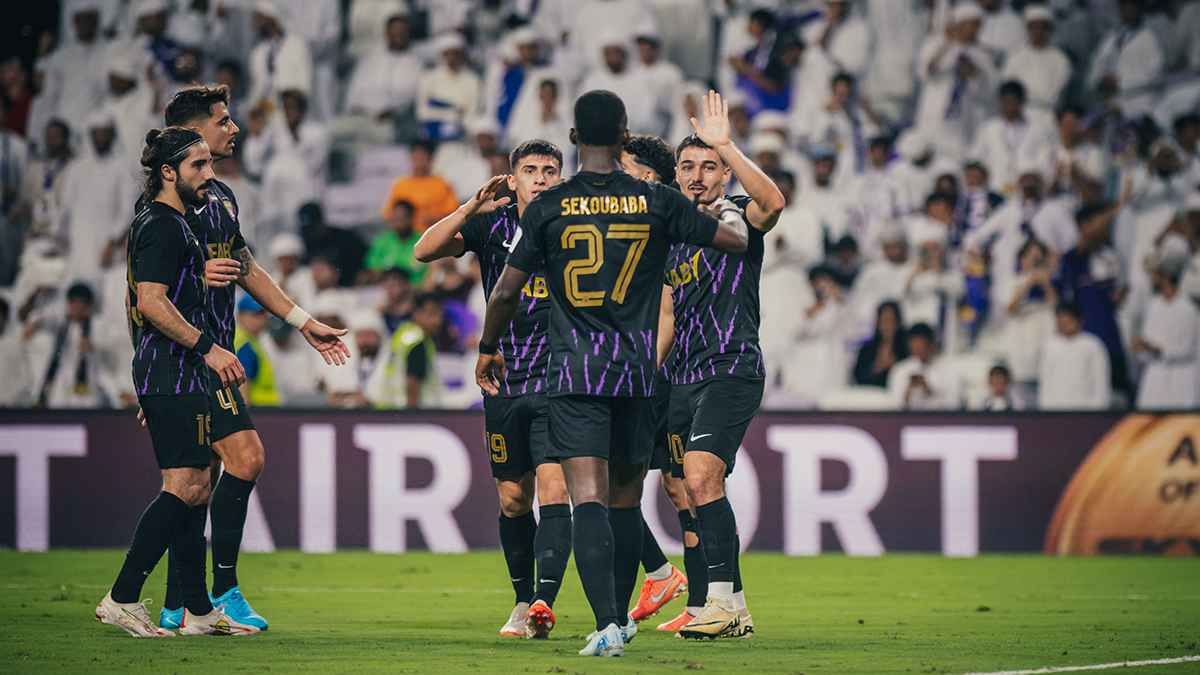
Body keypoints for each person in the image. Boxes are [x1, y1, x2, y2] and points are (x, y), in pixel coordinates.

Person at [474, 89, 747, 657]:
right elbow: (737, 239)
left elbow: (504, 289)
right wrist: (721, 203)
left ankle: (607, 626)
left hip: (574, 374)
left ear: (574, 138)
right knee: (626, 503)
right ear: (625, 136)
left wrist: (487, 346)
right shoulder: (656, 200)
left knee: (588, 502)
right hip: (636, 375)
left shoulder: (550, 205)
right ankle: (623, 615)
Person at [155, 85, 350, 631]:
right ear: (194, 131)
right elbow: (144, 293)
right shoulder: (162, 206)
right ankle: (220, 590)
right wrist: (150, 380)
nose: (234, 128)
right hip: (182, 358)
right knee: (237, 461)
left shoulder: (220, 195)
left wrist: (302, 321)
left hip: (216, 354)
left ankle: (183, 603)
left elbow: (246, 267)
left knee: (201, 479)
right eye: (223, 120)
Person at [97, 126, 257, 638]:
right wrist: (208, 348)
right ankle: (122, 597)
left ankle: (197, 609)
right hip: (173, 370)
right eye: (198, 166)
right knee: (185, 484)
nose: (209, 175)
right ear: (168, 172)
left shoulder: (177, 223)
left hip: (176, 373)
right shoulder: (164, 225)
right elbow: (149, 300)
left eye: (210, 164)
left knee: (198, 486)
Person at [414, 139, 573, 638]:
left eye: (550, 170)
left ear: (560, 178)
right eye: (531, 170)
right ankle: (522, 601)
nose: (542, 178)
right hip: (502, 381)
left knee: (556, 490)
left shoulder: (574, 226)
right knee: (512, 499)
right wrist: (471, 206)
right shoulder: (492, 224)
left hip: (558, 378)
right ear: (513, 178)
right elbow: (424, 250)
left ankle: (544, 600)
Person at [664, 91, 785, 640]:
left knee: (700, 474)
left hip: (730, 365)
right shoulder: (671, 234)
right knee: (691, 488)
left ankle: (717, 603)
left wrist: (727, 145)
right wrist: (649, 371)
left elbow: (775, 202)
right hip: (683, 376)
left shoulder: (737, 214)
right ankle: (735, 605)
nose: (696, 175)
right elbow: (667, 310)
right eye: (687, 166)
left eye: (706, 166)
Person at [617, 135, 692, 629]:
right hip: (648, 366)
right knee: (674, 483)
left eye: (622, 168)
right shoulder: (645, 218)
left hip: (657, 371)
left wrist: (648, 369)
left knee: (616, 483)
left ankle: (680, 583)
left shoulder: (661, 222)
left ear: (646, 175)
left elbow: (665, 309)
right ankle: (701, 596)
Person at [1133, 254, 1200, 410]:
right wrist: (1141, 348)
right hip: (1155, 376)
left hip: (1180, 378)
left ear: (1167, 278)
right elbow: (1146, 339)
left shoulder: (1188, 309)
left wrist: (1157, 349)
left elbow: (1186, 349)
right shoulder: (1153, 305)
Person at [375, 292, 444, 409]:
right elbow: (412, 382)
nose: (437, 321)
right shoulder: (417, 341)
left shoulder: (403, 333)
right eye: (431, 314)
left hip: (390, 407)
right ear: (416, 314)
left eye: (439, 315)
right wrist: (412, 415)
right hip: (405, 411)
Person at [1037, 301, 1111, 410]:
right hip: (1055, 409)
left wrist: (1098, 411)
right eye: (1060, 322)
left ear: (1079, 321)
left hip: (1086, 410)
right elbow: (1044, 381)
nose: (1064, 325)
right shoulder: (1049, 345)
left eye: (1068, 321)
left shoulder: (1093, 345)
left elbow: (1101, 382)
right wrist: (1044, 408)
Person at [1000, 6, 1072, 112]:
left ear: (1049, 30)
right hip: (1020, 111)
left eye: (1043, 27)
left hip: (1048, 113)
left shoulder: (1060, 59)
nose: (1038, 31)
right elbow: (1008, 84)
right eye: (1034, 27)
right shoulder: (1015, 56)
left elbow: (1060, 90)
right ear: (1028, 29)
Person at [381, 141, 460, 231]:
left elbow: (454, 215)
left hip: (435, 237)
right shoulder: (400, 185)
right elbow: (388, 214)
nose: (418, 161)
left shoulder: (442, 185)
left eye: (422, 157)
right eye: (415, 157)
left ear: (431, 158)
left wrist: (433, 219)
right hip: (407, 240)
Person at [887, 322, 961, 410]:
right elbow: (893, 407)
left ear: (932, 345)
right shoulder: (900, 370)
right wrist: (907, 393)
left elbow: (954, 405)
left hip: (939, 421)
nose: (918, 351)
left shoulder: (949, 370)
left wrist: (929, 392)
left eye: (921, 347)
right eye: (915, 347)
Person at [233, 295, 281, 406]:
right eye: (255, 315)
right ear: (239, 316)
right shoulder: (244, 345)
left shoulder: (250, 341)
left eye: (263, 314)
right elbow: (242, 389)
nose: (261, 320)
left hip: (262, 411)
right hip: (258, 413)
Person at [365, 199, 423, 283]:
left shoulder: (422, 241)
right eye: (395, 218)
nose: (398, 222)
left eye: (402, 218)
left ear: (411, 218)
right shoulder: (382, 241)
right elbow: (372, 269)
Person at [853, 301, 908, 388]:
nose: (886, 326)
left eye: (890, 321)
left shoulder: (906, 349)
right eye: (883, 321)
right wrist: (877, 368)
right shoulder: (866, 349)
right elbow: (858, 376)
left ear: (898, 323)